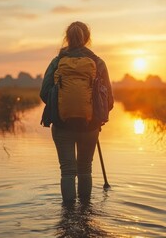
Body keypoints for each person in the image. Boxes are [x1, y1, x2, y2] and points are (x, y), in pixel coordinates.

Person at [40, 21, 114, 203]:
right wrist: (95, 118)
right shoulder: (98, 62)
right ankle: (85, 213)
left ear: (67, 37)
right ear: (87, 38)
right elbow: (109, 101)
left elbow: (44, 93)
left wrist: (60, 108)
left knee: (67, 171)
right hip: (90, 127)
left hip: (62, 125)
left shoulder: (57, 62)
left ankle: (68, 216)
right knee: (85, 169)